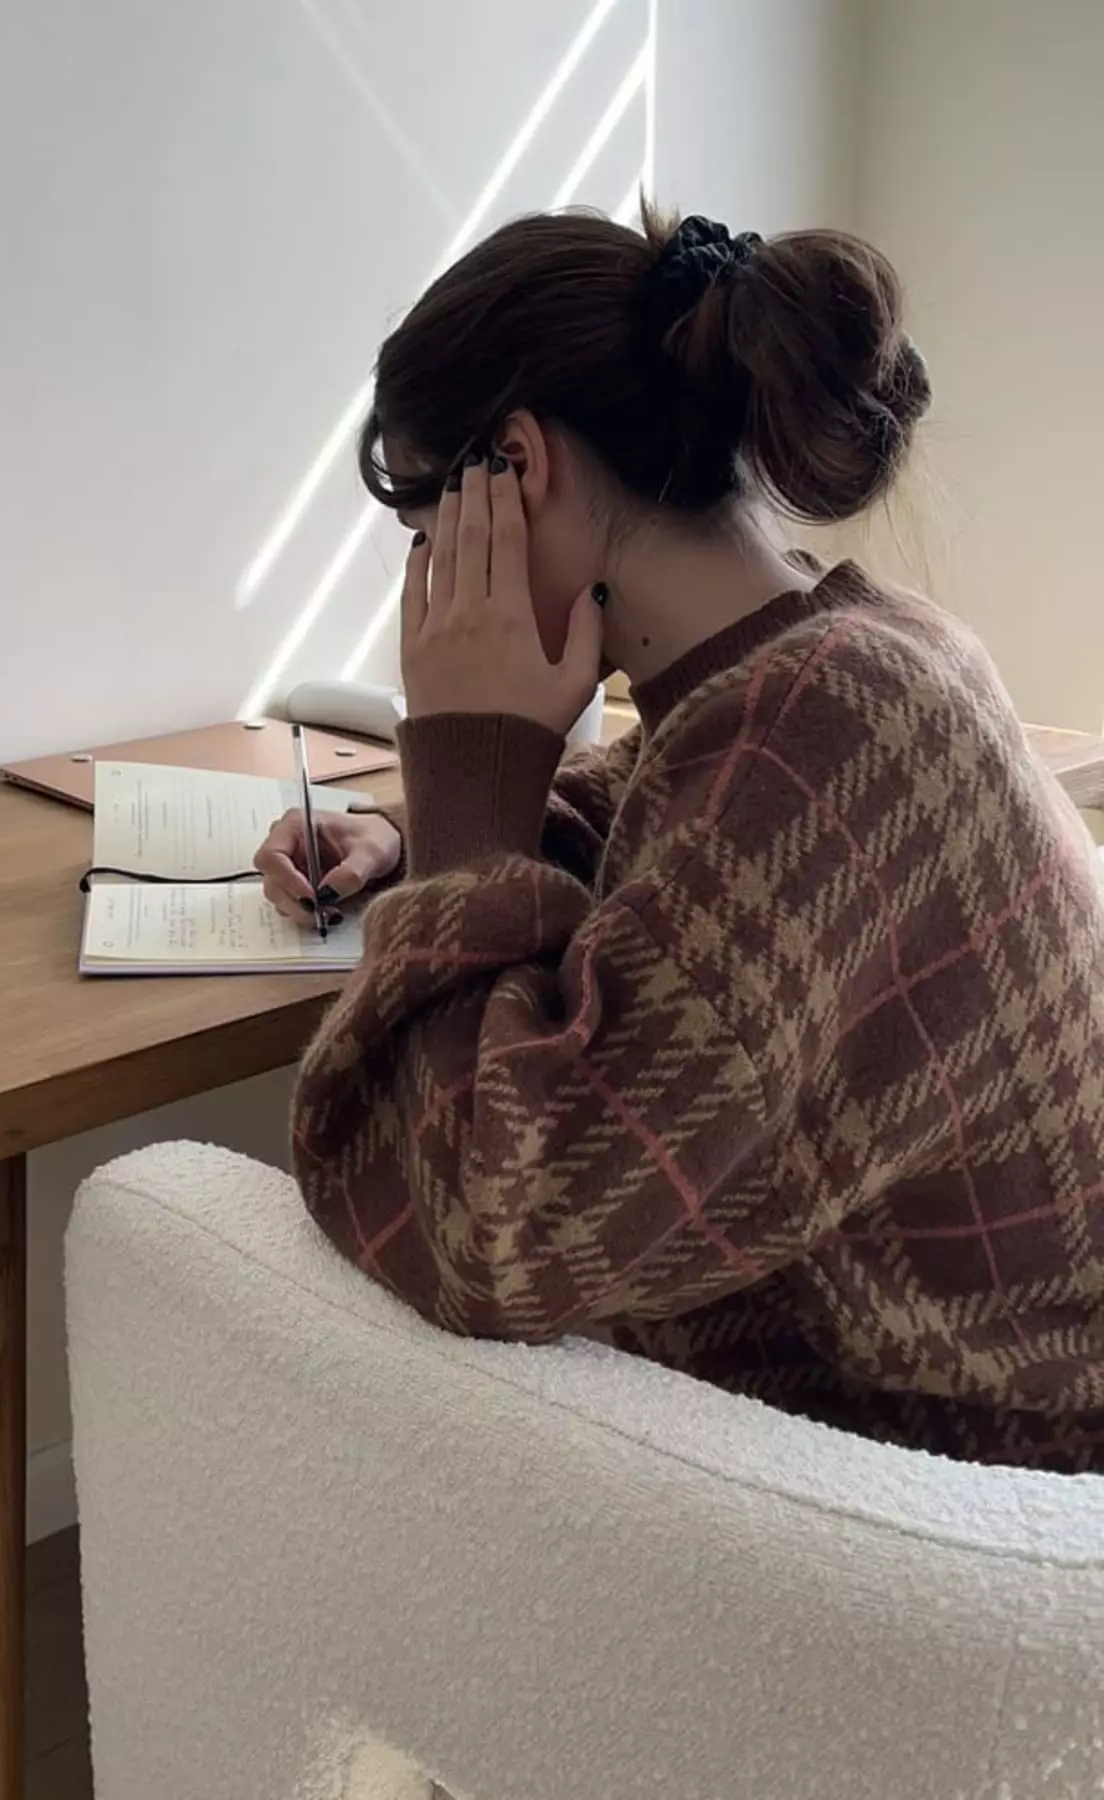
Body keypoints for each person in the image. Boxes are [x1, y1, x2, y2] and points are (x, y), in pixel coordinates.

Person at [254, 206, 1104, 1471]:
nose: (427, 589)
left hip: (982, 1475)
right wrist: (416, 828)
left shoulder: (812, 727)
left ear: (518, 468)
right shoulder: (862, 650)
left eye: (430, 539)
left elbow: (493, 1231)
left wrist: (471, 774)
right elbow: (672, 817)